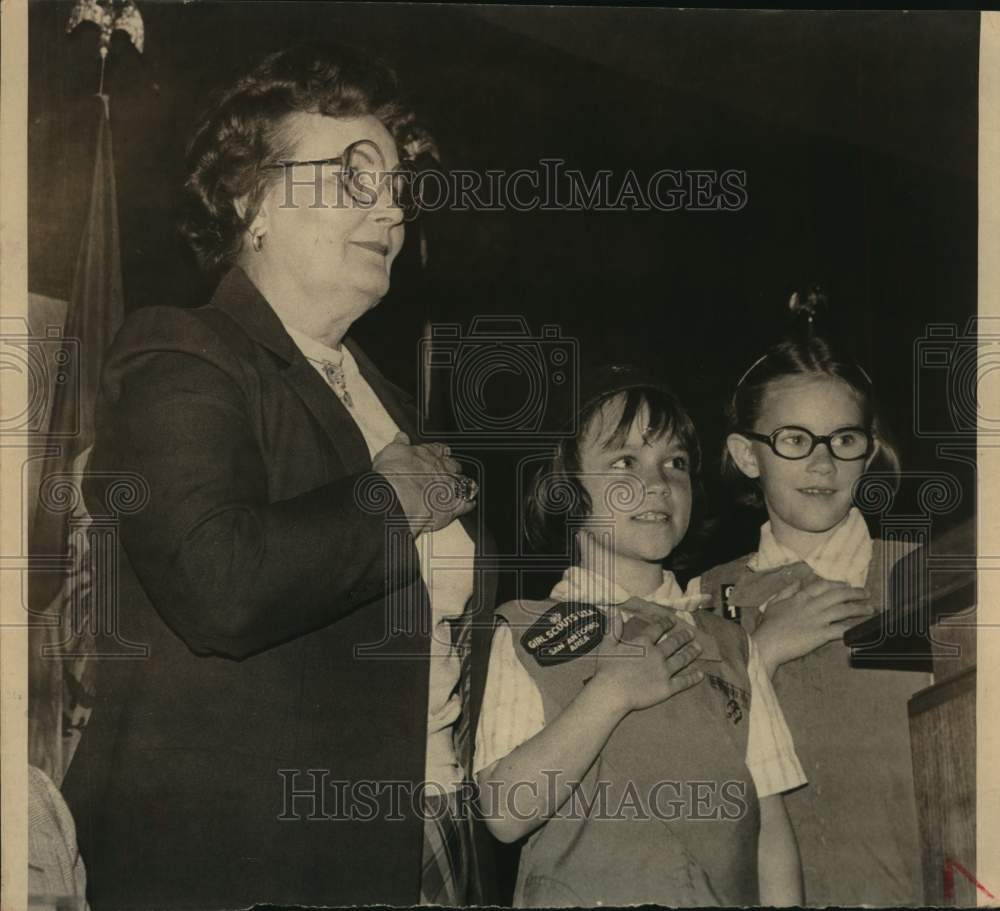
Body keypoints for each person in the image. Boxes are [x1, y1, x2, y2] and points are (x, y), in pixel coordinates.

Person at [61, 43, 496, 909]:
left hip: (416, 837)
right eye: (351, 179)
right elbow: (218, 580)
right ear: (248, 198)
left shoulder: (391, 403)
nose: (391, 211)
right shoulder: (183, 354)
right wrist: (396, 498)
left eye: (398, 189)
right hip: (242, 861)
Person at [473, 366, 806, 907]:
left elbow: (768, 824)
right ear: (565, 487)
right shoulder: (526, 629)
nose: (657, 483)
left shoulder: (731, 645)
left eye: (674, 462)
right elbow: (505, 813)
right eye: (624, 461)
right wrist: (611, 693)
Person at [696, 335, 931, 905]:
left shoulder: (926, 581)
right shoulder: (703, 598)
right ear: (748, 455)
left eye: (843, 439)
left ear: (868, 451)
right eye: (794, 440)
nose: (822, 463)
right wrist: (759, 654)